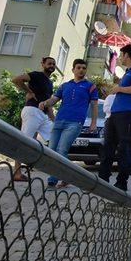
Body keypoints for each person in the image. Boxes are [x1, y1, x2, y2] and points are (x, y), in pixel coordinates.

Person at [39, 59, 98, 188]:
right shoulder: (64, 86)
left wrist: (93, 122)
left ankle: (53, 179)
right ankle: (66, 177)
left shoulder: (90, 86)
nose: (81, 70)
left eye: (83, 68)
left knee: (62, 149)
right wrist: (44, 103)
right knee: (52, 150)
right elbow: (54, 100)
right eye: (79, 67)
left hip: (75, 123)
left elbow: (94, 105)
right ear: (73, 70)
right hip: (59, 121)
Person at [101, 44, 131, 191]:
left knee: (124, 148)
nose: (120, 57)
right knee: (108, 146)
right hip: (115, 114)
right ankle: (102, 179)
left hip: (127, 114)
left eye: (121, 54)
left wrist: (119, 88)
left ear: (127, 55)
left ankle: (121, 182)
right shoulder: (127, 72)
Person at [11, 57, 56, 182]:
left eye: (53, 64)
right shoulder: (36, 75)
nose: (51, 65)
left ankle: (54, 170)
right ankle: (17, 172)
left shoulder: (50, 82)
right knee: (23, 141)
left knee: (55, 138)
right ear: (43, 64)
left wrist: (54, 120)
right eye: (49, 63)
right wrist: (28, 91)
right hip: (32, 111)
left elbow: (49, 103)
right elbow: (16, 79)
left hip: (43, 115)